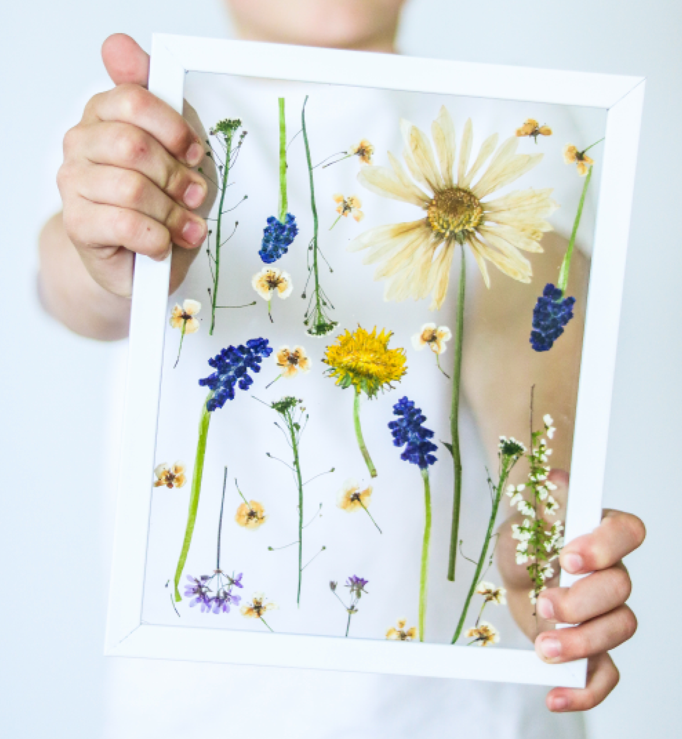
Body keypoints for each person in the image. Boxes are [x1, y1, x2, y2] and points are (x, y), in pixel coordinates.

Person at [38, 0, 645, 733]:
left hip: (474, 712)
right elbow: (77, 283)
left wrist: (540, 506)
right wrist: (115, 244)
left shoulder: (515, 119)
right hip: (205, 709)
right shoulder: (151, 124)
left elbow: (528, 309)